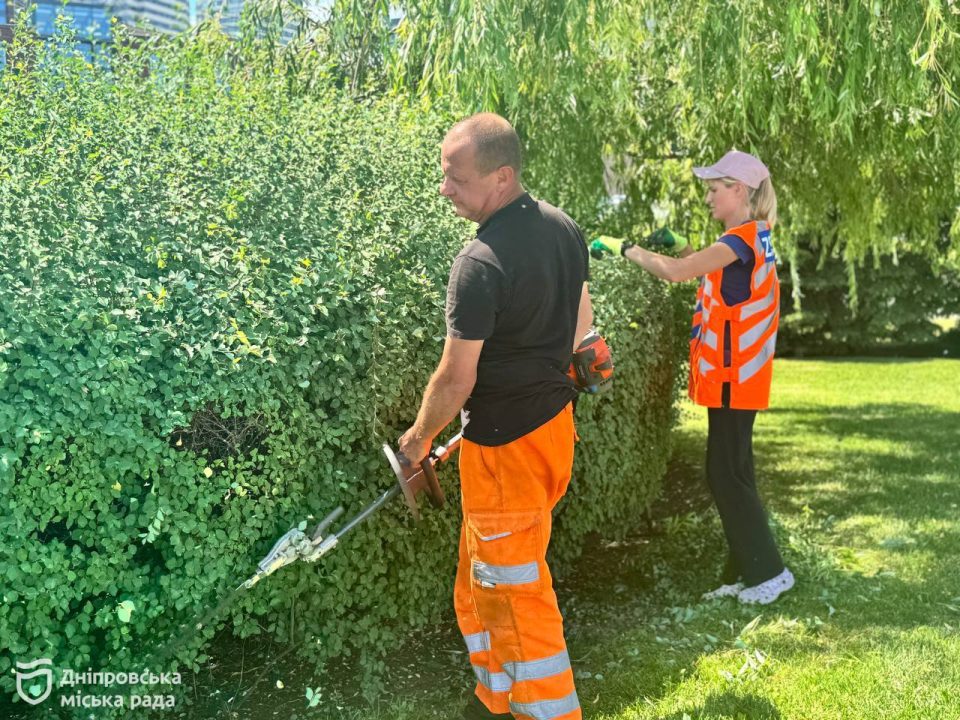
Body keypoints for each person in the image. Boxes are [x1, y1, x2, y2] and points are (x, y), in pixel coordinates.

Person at [398, 113, 592, 720]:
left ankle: (550, 711)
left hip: (510, 450)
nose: (443, 188)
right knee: (481, 584)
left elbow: (456, 377)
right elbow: (581, 328)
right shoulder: (563, 228)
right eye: (442, 174)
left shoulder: (479, 262)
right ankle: (499, 699)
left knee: (517, 599)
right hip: (550, 434)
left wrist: (416, 440)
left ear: (502, 177)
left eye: (455, 178)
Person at [591, 150, 794, 606]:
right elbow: (710, 275)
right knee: (734, 471)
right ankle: (747, 571)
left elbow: (681, 274)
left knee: (725, 474)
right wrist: (682, 242)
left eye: (714, 189)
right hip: (741, 375)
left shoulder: (738, 240)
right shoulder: (750, 239)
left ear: (738, 190)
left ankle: (771, 573)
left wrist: (623, 247)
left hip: (732, 375)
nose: (707, 197)